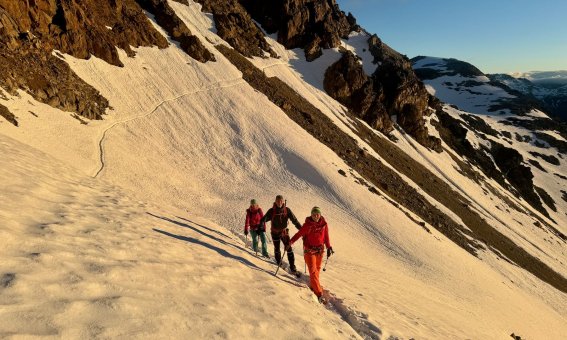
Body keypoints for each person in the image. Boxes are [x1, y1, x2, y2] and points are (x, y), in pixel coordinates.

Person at [288, 206, 334, 303]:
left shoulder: (324, 225)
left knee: (317, 270)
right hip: (309, 251)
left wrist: (329, 247)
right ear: (311, 215)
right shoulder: (307, 225)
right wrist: (290, 242)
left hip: (320, 251)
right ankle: (319, 293)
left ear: (320, 215)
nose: (315, 216)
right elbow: (299, 234)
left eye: (317, 214)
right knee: (313, 271)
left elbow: (326, 237)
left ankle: (314, 285)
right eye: (314, 214)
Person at [260, 194, 302, 273]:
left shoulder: (287, 210)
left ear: (283, 202)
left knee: (289, 248)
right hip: (275, 233)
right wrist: (261, 225)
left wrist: (302, 229)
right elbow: (263, 219)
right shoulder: (272, 211)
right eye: (278, 201)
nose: (279, 202)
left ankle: (292, 266)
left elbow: (294, 220)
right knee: (277, 248)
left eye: (281, 201)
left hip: (284, 232)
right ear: (275, 201)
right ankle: (279, 262)